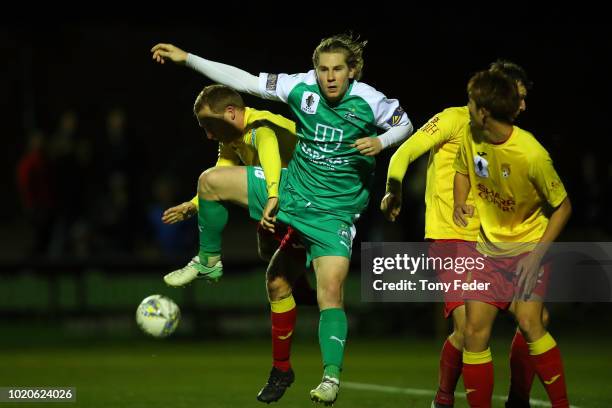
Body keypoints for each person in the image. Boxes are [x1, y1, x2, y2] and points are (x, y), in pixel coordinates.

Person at [151, 33, 413, 404]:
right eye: (323, 69)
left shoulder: (370, 101)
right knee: (211, 183)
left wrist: (382, 143)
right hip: (294, 189)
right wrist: (188, 58)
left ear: (351, 70)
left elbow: (406, 125)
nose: (330, 77)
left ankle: (330, 378)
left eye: (338, 69)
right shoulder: (301, 86)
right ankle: (209, 262)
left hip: (333, 213)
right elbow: (243, 81)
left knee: (330, 295)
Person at [382, 60, 550, 408]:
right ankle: (444, 398)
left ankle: (518, 398)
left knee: (536, 320)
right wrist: (394, 187)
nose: (522, 106)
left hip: (497, 243)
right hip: (453, 239)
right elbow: (404, 152)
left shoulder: (509, 139)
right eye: (517, 96)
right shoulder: (452, 119)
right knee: (468, 330)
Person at [453, 70, 571, 408]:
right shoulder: (470, 134)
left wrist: (536, 256)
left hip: (528, 250)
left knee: (531, 321)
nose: (468, 107)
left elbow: (563, 207)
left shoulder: (531, 153)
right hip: (488, 251)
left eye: (471, 103)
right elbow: (463, 170)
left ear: (484, 112)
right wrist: (461, 201)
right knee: (475, 332)